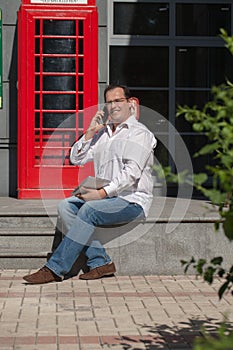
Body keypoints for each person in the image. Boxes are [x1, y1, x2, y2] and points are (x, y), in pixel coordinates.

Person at [23, 84, 157, 284]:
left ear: (130, 103)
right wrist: (88, 134)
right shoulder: (104, 134)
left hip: (131, 201)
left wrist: (101, 193)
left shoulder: (139, 133)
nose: (114, 106)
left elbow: (131, 174)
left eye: (118, 100)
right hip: (108, 198)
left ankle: (55, 268)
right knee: (65, 206)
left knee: (88, 210)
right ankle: (100, 261)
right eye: (109, 102)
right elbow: (77, 158)